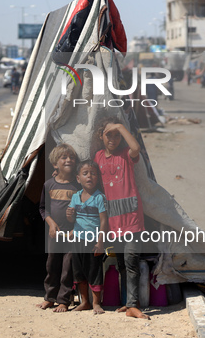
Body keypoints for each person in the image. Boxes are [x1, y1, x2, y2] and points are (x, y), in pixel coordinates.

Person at [94, 116, 149, 319]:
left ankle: (133, 305)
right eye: (109, 134)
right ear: (101, 136)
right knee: (121, 265)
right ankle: (128, 303)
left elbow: (136, 147)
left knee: (132, 260)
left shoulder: (126, 154)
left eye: (117, 135)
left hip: (132, 218)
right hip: (113, 220)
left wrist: (119, 126)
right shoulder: (98, 157)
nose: (113, 139)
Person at [37, 143, 80, 312]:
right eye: (64, 157)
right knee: (52, 265)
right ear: (55, 164)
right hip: (54, 233)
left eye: (71, 157)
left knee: (67, 267)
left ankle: (64, 300)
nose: (68, 160)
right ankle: (49, 297)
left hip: (72, 234)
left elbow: (85, 209)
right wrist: (51, 224)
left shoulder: (79, 186)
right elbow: (42, 208)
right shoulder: (49, 185)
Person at [67, 160, 109, 315]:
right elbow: (72, 219)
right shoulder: (76, 197)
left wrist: (100, 242)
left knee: (94, 271)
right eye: (85, 173)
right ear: (78, 178)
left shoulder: (99, 197)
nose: (89, 176)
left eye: (93, 173)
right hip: (78, 239)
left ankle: (96, 303)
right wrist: (69, 216)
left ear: (97, 177)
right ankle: (84, 301)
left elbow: (104, 220)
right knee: (79, 271)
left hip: (93, 241)